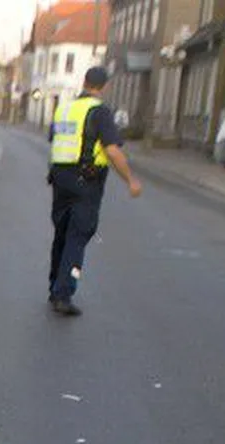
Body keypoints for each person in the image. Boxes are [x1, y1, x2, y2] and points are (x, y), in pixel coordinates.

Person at [47, 66, 143, 317]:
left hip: (60, 178)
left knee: (62, 233)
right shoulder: (99, 112)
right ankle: (63, 294)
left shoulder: (64, 108)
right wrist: (131, 180)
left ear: (84, 82)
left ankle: (54, 286)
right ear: (104, 87)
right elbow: (112, 150)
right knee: (78, 236)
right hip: (85, 180)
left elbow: (54, 139)